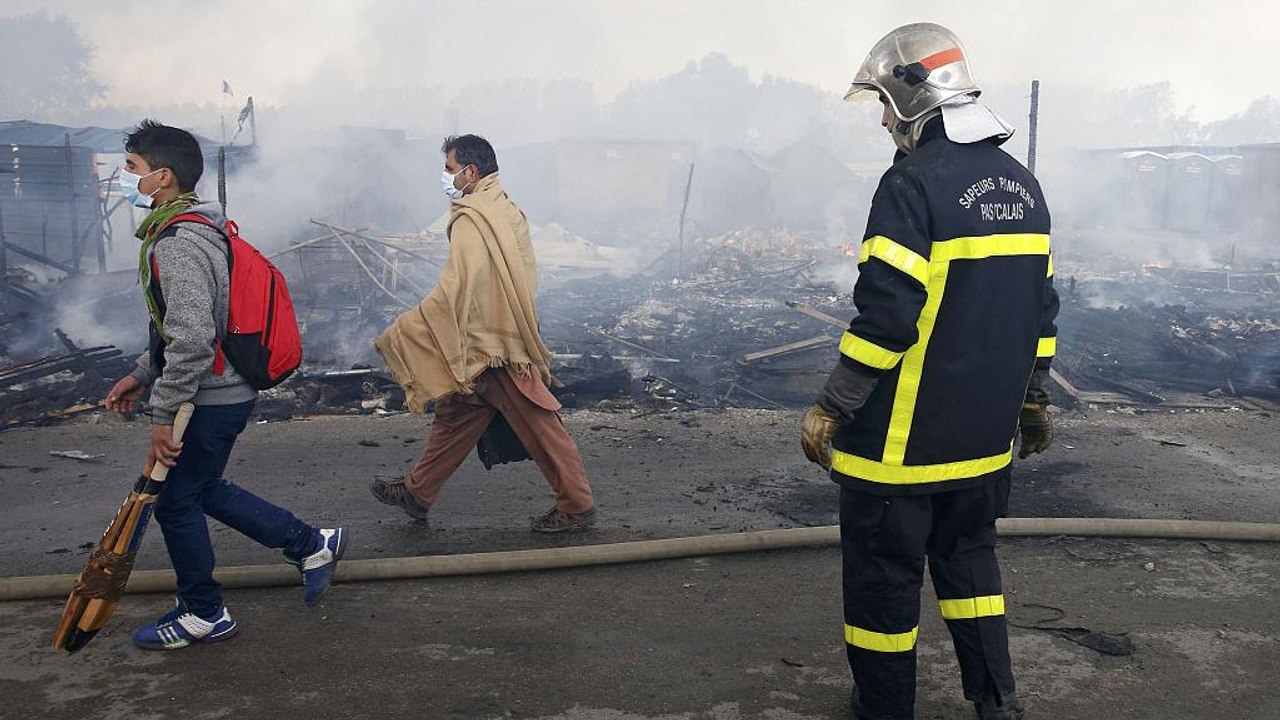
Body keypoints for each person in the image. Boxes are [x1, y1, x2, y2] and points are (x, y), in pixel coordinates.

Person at [800, 24, 1058, 720]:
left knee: (883, 590)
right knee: (972, 570)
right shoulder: (1024, 187)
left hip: (897, 455)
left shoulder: (911, 185)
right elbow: (1041, 314)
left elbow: (886, 316)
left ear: (917, 94)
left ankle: (884, 710)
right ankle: (996, 703)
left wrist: (832, 405)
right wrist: (1031, 405)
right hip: (981, 449)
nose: (883, 118)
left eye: (885, 102)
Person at [105, 120, 345, 650]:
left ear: (162, 177)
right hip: (226, 389)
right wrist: (141, 374)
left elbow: (192, 339)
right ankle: (312, 544)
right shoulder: (200, 228)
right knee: (201, 488)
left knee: (174, 503)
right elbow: (184, 329)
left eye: (131, 170)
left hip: (211, 398)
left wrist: (161, 415)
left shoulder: (177, 243)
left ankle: (203, 613)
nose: (125, 181)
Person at [371, 134, 597, 533]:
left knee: (539, 423)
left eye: (448, 169)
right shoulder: (504, 208)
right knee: (455, 417)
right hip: (500, 333)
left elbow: (460, 285)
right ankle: (417, 492)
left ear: (469, 172)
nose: (445, 177)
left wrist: (411, 327)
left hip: (493, 342)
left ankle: (576, 504)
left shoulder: (473, 217)